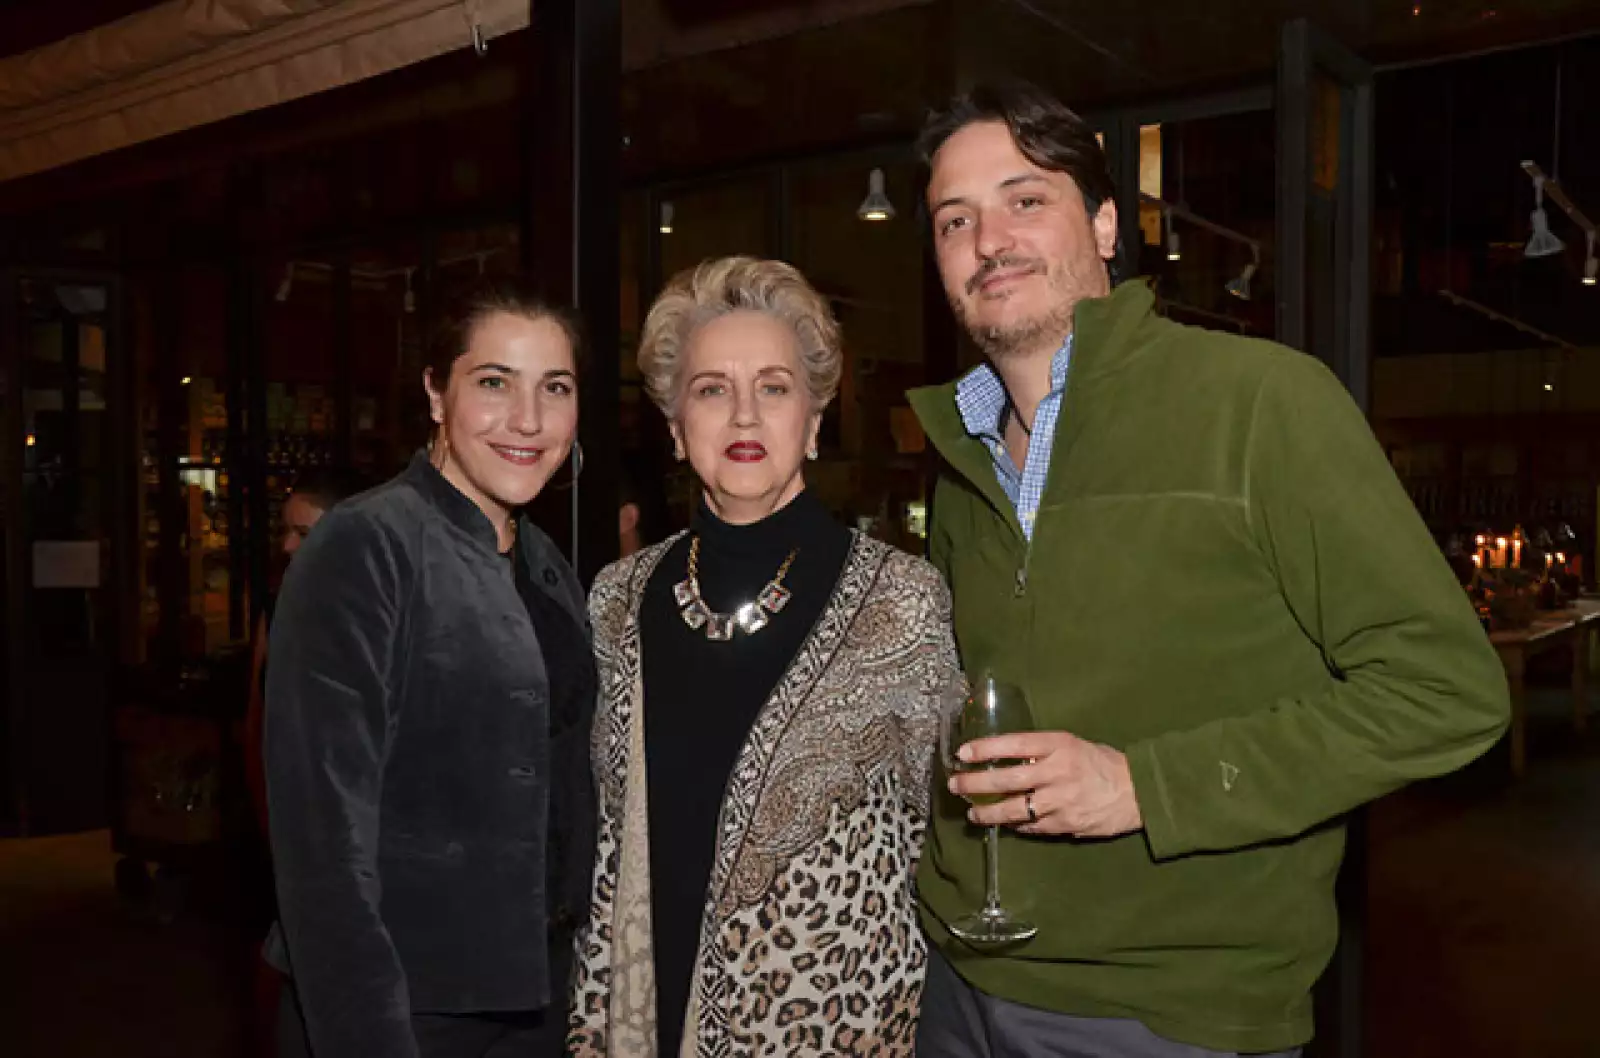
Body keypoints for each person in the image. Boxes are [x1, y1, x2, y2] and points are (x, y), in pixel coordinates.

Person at [905, 81, 1510, 1058]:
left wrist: (1145, 783)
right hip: (958, 977)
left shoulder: (1262, 402)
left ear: (1104, 224)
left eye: (1025, 199)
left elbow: (1447, 689)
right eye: (953, 219)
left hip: (1168, 1012)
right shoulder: (960, 452)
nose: (988, 238)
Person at [567, 256, 962, 1057]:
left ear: (813, 421)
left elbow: (950, 835)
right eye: (712, 389)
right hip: (638, 1016)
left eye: (775, 387)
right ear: (677, 427)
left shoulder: (902, 600)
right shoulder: (614, 600)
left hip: (832, 1028)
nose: (744, 414)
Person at [265, 277, 597, 1058]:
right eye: (493, 383)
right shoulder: (363, 547)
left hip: (534, 999)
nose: (528, 419)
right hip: (402, 1010)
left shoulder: (545, 564)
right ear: (436, 394)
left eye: (556, 387)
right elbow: (322, 852)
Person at [242, 466, 372, 1058]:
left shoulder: (376, 613)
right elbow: (258, 714)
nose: (288, 545)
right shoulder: (281, 604)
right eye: (285, 532)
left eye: (303, 531)